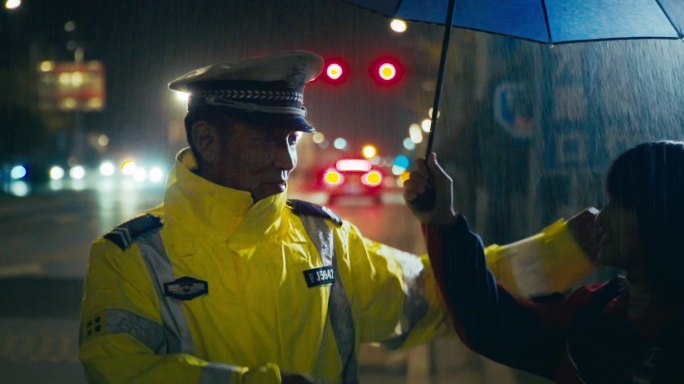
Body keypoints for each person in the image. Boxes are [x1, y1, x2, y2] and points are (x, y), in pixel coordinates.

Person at [78, 51, 451, 384]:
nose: (288, 161)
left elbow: (437, 292)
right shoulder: (127, 259)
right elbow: (120, 370)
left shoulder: (326, 239)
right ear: (207, 141)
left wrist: (450, 227)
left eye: (290, 140)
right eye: (267, 139)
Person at [404, 142, 684, 383]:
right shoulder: (596, 308)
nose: (604, 216)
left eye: (621, 204)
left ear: (661, 218)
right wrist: (443, 220)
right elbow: (494, 324)